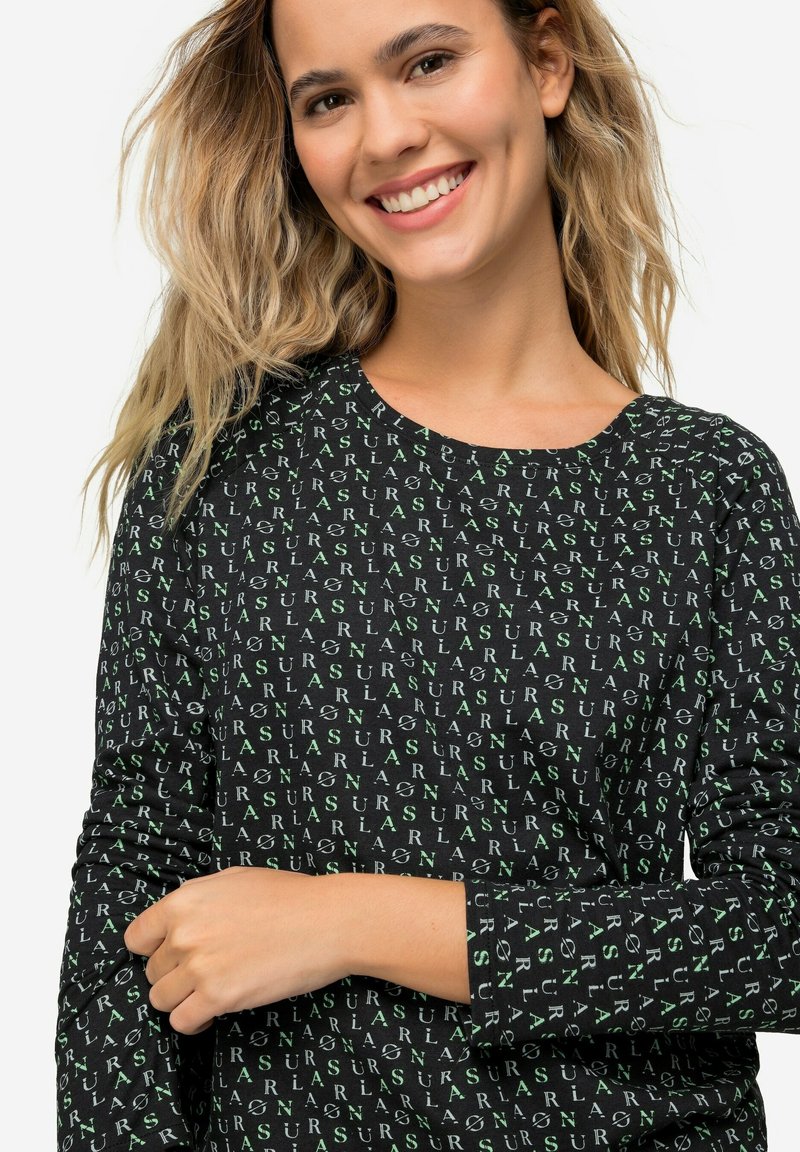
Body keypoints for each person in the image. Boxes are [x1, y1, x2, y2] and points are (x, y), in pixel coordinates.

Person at [56, 0, 800, 1149]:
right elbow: (130, 898)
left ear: (544, 61)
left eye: (428, 62)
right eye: (328, 99)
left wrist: (353, 922)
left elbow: (776, 934)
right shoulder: (220, 465)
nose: (386, 134)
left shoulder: (702, 489)